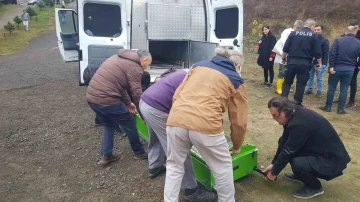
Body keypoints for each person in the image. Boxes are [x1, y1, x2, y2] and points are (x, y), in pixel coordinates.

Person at [164, 48, 248, 202]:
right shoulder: (236, 80)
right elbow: (239, 121)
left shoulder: (197, 66)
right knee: (222, 168)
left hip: (176, 118)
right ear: (237, 66)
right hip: (206, 125)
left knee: (174, 166)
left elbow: (177, 94)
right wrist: (236, 145)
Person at [139, 69, 217, 202]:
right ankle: (191, 189)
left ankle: (155, 166)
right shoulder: (198, 82)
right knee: (179, 148)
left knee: (157, 136)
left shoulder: (183, 72)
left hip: (145, 101)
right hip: (158, 109)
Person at [264, 97, 351, 199]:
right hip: (319, 152)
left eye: (275, 115)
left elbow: (288, 151)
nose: (274, 118)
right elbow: (284, 142)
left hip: (331, 161)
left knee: (298, 163)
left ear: (285, 111)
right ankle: (301, 175)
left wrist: (274, 172)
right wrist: (274, 164)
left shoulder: (299, 124)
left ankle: (315, 187)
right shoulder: (293, 114)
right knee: (287, 145)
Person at [86, 49, 152, 166]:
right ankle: (139, 152)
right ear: (144, 60)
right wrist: (144, 115)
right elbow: (137, 94)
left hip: (92, 97)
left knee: (109, 124)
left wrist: (128, 103)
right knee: (130, 124)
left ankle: (106, 155)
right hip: (107, 99)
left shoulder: (117, 58)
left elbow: (120, 86)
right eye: (148, 64)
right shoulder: (135, 68)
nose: (147, 67)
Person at [319, 26, 360, 114]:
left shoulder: (338, 40)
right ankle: (340, 109)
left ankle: (328, 106)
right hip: (350, 69)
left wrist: (331, 66)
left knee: (332, 87)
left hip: (337, 67)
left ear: (346, 32)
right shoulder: (358, 43)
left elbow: (332, 53)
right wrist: (358, 65)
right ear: (355, 33)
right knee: (344, 89)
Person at [281, 18, 322, 105]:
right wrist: (320, 63)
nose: (314, 29)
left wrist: (283, 58)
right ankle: (297, 102)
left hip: (292, 61)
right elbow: (317, 52)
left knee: (287, 82)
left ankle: (283, 100)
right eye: (314, 27)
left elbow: (285, 48)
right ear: (311, 26)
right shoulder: (314, 36)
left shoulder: (293, 33)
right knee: (301, 84)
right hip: (305, 63)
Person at [272, 20, 303, 94]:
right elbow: (284, 42)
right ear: (295, 26)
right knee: (282, 71)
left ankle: (285, 87)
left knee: (288, 72)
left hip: (292, 56)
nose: (299, 29)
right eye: (298, 28)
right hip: (283, 54)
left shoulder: (298, 33)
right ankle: (279, 88)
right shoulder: (287, 32)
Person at [305, 25, 329, 97]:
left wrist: (324, 63)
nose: (316, 31)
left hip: (319, 62)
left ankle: (319, 91)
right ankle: (309, 89)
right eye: (315, 30)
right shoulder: (310, 39)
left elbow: (325, 52)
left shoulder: (324, 41)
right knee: (310, 76)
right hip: (310, 61)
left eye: (318, 30)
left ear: (322, 31)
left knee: (319, 78)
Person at [345, 20, 360, 108]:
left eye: (356, 27)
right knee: (345, 80)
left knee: (352, 81)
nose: (354, 29)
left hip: (356, 62)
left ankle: (351, 100)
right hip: (346, 60)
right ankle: (343, 97)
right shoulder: (347, 34)